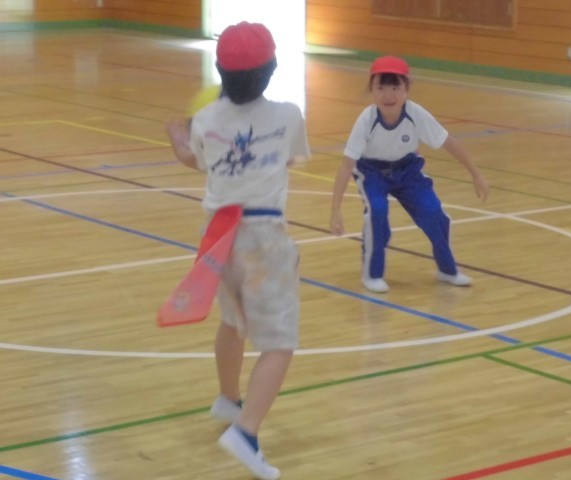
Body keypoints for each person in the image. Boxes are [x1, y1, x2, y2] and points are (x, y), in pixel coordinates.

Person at [165, 21, 310, 480]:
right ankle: (245, 432)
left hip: (218, 235)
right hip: (263, 235)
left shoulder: (207, 120)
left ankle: (229, 399)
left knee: (233, 320)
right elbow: (290, 158)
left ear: (220, 70)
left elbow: (196, 160)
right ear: (271, 69)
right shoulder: (289, 115)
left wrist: (178, 140)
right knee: (280, 342)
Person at [330, 55, 489, 293]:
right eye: (380, 88)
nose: (388, 95)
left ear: (406, 89)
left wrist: (476, 174)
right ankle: (372, 274)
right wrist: (336, 210)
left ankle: (447, 270)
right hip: (371, 172)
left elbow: (449, 142)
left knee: (434, 213)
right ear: (371, 90)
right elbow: (346, 165)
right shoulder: (366, 120)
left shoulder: (416, 114)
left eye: (395, 88)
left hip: (407, 170)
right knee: (377, 212)